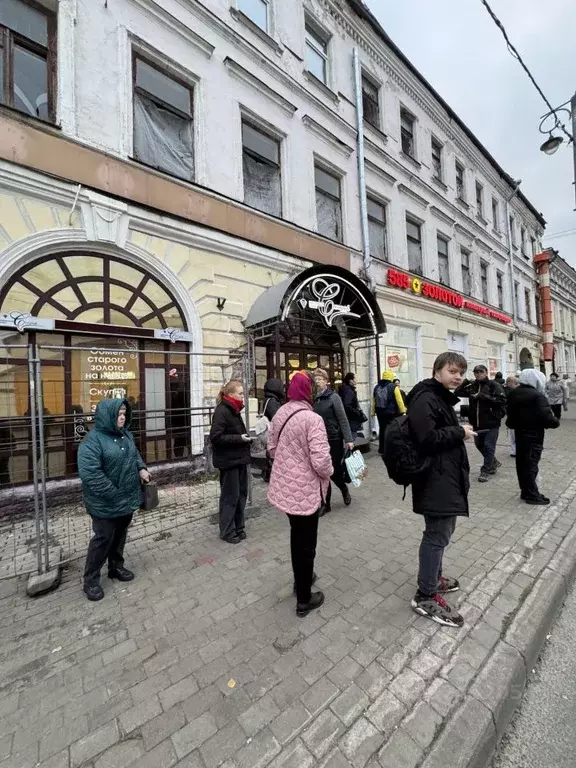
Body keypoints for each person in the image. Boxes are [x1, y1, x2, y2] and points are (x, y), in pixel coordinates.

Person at [407, 352, 474, 627]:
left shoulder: (439, 396)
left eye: (461, 372)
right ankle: (425, 595)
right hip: (435, 479)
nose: (457, 377)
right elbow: (426, 439)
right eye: (452, 371)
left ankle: (433, 579)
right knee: (436, 535)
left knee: (442, 532)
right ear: (437, 371)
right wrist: (460, 432)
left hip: (444, 477)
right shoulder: (426, 398)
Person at [267, 371, 333, 617]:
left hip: (286, 490)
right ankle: (304, 598)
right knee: (307, 544)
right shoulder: (312, 419)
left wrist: (289, 463)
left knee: (297, 537)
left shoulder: (281, 412)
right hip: (306, 491)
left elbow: (272, 448)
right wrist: (328, 472)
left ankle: (301, 579)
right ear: (309, 391)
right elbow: (321, 462)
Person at [78, 398, 150, 601]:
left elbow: (134, 455)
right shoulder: (92, 441)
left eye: (124, 414)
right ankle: (91, 579)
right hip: (105, 502)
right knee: (103, 539)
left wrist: (142, 468)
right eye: (118, 414)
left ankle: (116, 567)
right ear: (106, 416)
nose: (122, 417)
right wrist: (113, 494)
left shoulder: (125, 434)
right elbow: (91, 474)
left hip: (127, 499)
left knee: (120, 535)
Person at [507, 369, 559, 505]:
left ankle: (526, 491)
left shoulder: (514, 393)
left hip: (520, 434)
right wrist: (555, 422)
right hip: (534, 435)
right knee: (531, 464)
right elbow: (546, 417)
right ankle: (532, 494)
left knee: (522, 464)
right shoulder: (537, 395)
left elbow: (510, 418)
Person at [210, 380, 251, 544]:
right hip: (229, 462)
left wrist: (245, 439)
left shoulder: (234, 409)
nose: (243, 397)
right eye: (240, 394)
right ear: (231, 394)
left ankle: (239, 527)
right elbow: (215, 437)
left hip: (239, 459)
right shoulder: (222, 411)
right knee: (230, 496)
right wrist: (239, 438)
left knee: (241, 495)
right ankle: (227, 531)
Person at [312, 368, 354, 513]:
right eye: (315, 379)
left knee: (334, 471)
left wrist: (349, 439)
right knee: (322, 472)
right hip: (318, 439)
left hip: (334, 438)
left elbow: (342, 418)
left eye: (320, 379)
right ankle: (325, 504)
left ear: (326, 381)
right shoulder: (313, 397)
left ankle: (343, 488)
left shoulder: (333, 397)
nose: (317, 381)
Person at [455, 364, 506, 483]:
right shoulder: (473, 386)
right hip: (476, 423)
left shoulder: (494, 385)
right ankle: (493, 462)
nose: (478, 374)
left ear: (486, 372)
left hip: (492, 422)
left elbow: (501, 400)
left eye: (480, 372)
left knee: (489, 446)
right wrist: (465, 381)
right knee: (479, 446)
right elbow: (458, 392)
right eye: (476, 372)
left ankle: (486, 471)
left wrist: (482, 396)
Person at [373, 370, 407, 454]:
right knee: (391, 430)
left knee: (382, 430)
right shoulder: (393, 387)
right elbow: (399, 401)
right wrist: (403, 411)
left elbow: (374, 401)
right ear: (391, 377)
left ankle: (381, 449)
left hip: (380, 412)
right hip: (390, 413)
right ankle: (390, 449)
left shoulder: (376, 387)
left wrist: (372, 412)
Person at [261, 378, 285, 482]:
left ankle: (268, 474)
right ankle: (269, 475)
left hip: (271, 432)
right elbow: (277, 417)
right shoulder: (272, 401)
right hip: (274, 432)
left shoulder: (270, 399)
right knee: (272, 455)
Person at [339, 372, 367, 440]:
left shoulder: (346, 389)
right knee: (352, 437)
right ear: (350, 380)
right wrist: (357, 412)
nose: (356, 380)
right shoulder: (349, 391)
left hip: (348, 418)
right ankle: (350, 450)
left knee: (349, 437)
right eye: (355, 378)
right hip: (351, 419)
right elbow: (347, 405)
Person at [504, 375, 520, 457]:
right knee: (512, 435)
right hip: (512, 417)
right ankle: (514, 451)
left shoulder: (516, 391)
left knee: (514, 435)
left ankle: (515, 451)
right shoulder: (508, 391)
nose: (517, 384)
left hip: (515, 417)